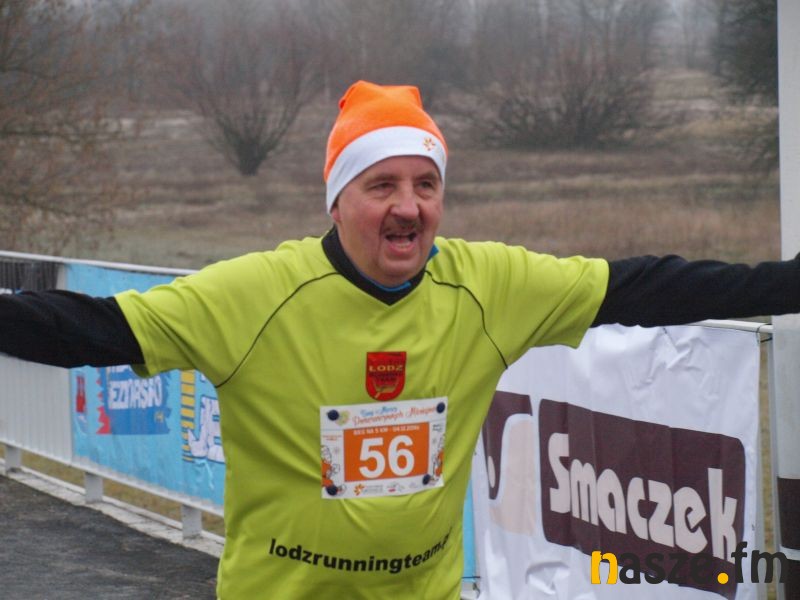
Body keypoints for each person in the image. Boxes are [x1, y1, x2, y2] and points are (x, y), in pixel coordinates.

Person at [1, 80, 799, 599]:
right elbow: (85, 329)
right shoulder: (254, 296)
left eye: (426, 184)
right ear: (337, 200)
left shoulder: (488, 286)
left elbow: (643, 287)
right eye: (381, 184)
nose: (408, 206)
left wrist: (787, 285)